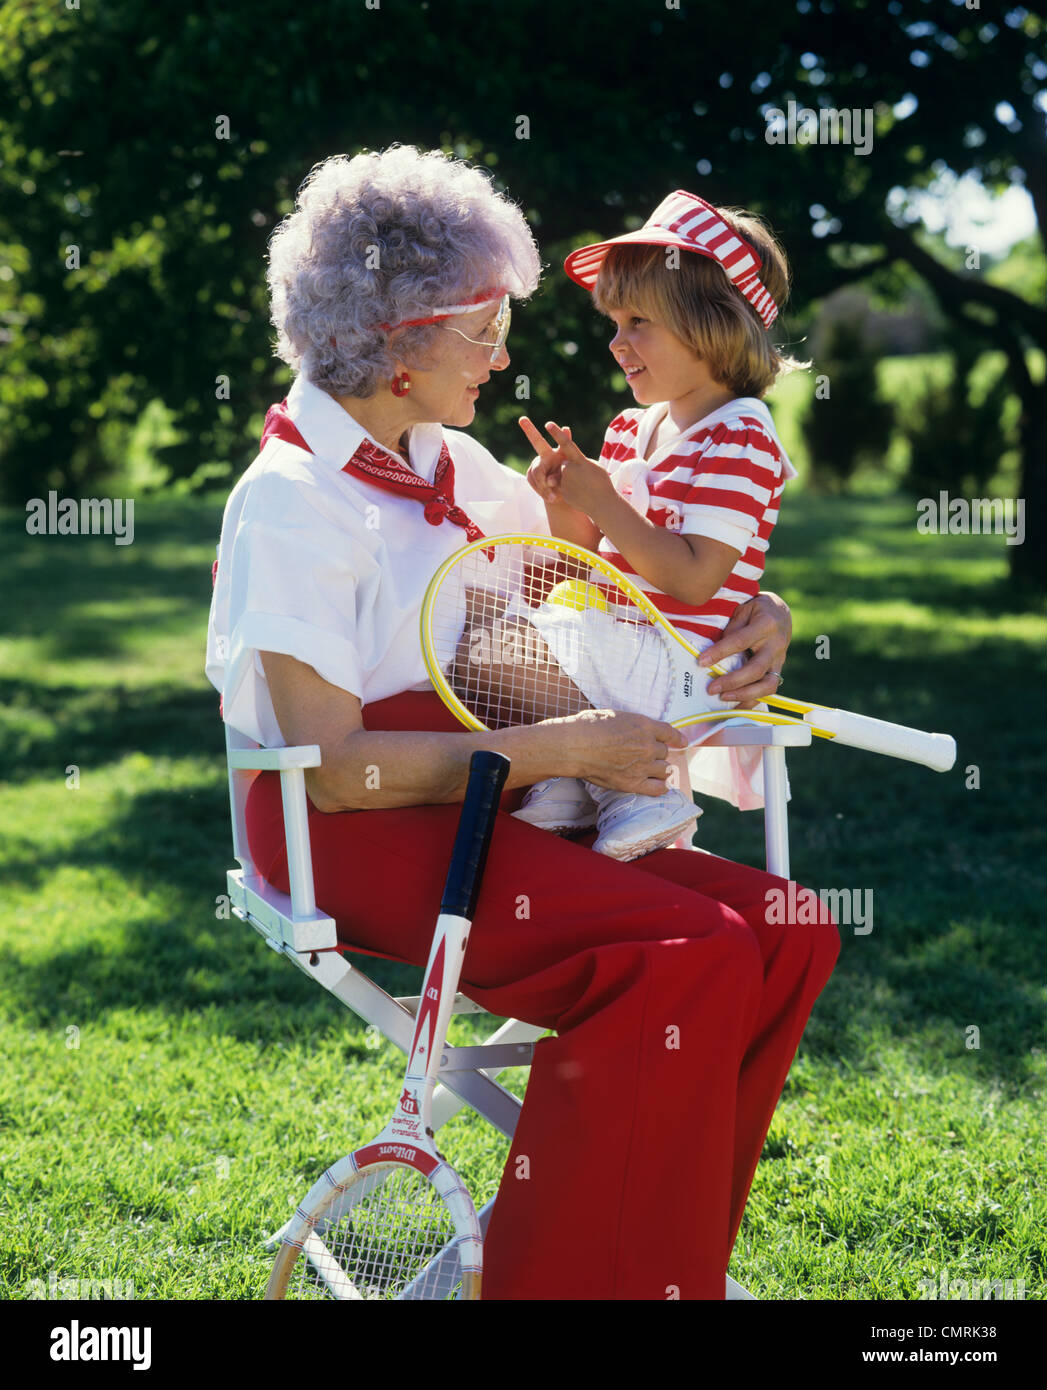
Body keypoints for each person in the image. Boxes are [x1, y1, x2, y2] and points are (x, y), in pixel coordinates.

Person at [205, 145, 838, 1300]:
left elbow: (624, 579)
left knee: (792, 929)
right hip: (352, 826)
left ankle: (648, 1259)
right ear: (402, 343)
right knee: (681, 953)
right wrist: (560, 752)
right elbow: (336, 773)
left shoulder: (453, 465)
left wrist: (764, 606)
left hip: (496, 795)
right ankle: (563, 1283)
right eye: (484, 328)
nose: (506, 354)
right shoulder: (291, 503)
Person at [512, 190, 806, 861]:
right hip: (628, 645)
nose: (618, 342)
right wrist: (567, 501)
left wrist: (604, 498)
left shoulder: (739, 433)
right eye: (612, 323)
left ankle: (639, 794)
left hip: (684, 664)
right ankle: (573, 776)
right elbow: (580, 560)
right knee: (521, 627)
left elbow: (694, 578)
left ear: (711, 324)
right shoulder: (626, 429)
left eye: (638, 321)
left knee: (533, 634)